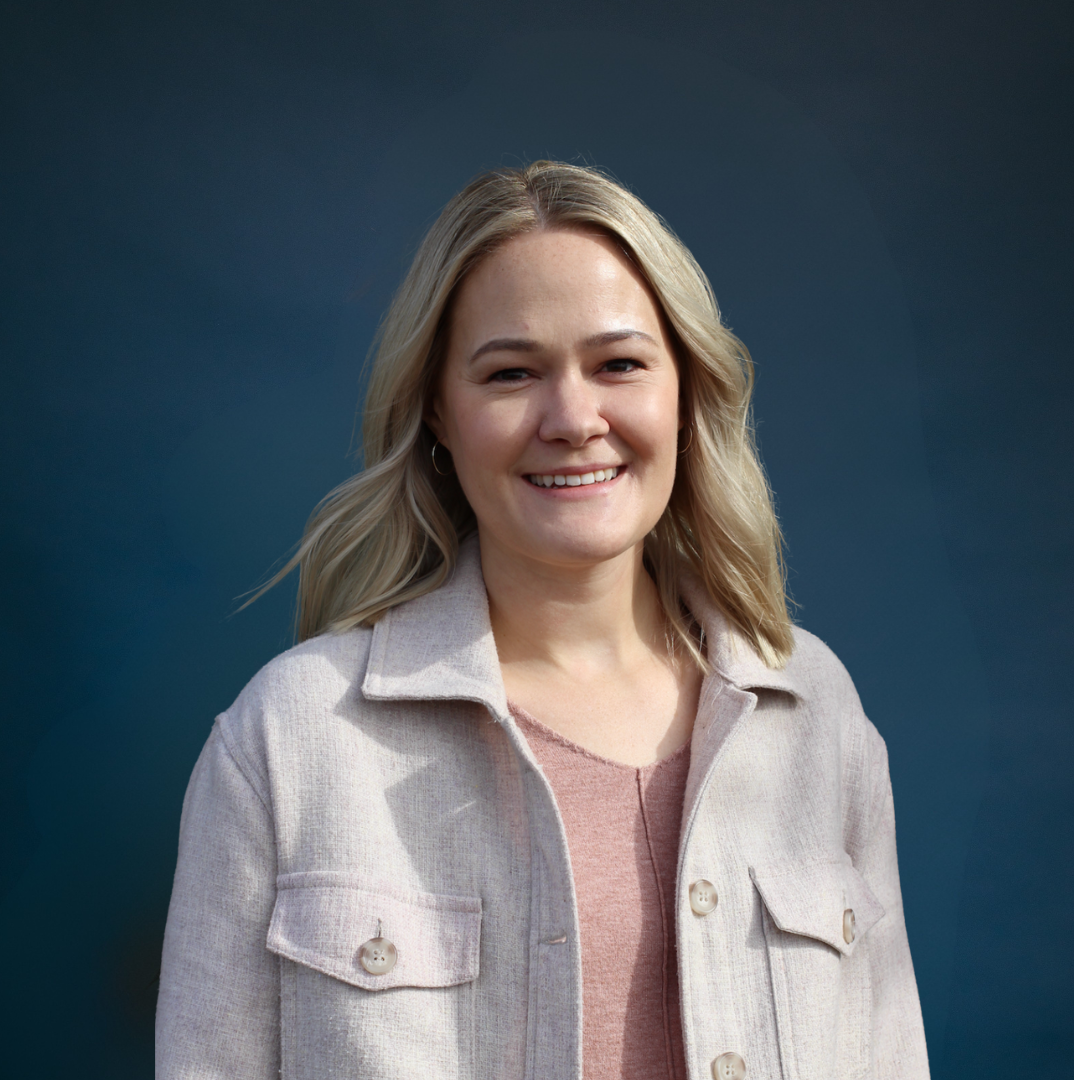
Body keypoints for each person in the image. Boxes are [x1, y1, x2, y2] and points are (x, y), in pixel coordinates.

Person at [156, 161, 929, 1080]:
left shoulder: (817, 716)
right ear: (439, 411)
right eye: (512, 373)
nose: (572, 418)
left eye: (619, 365)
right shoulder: (287, 743)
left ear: (685, 390)